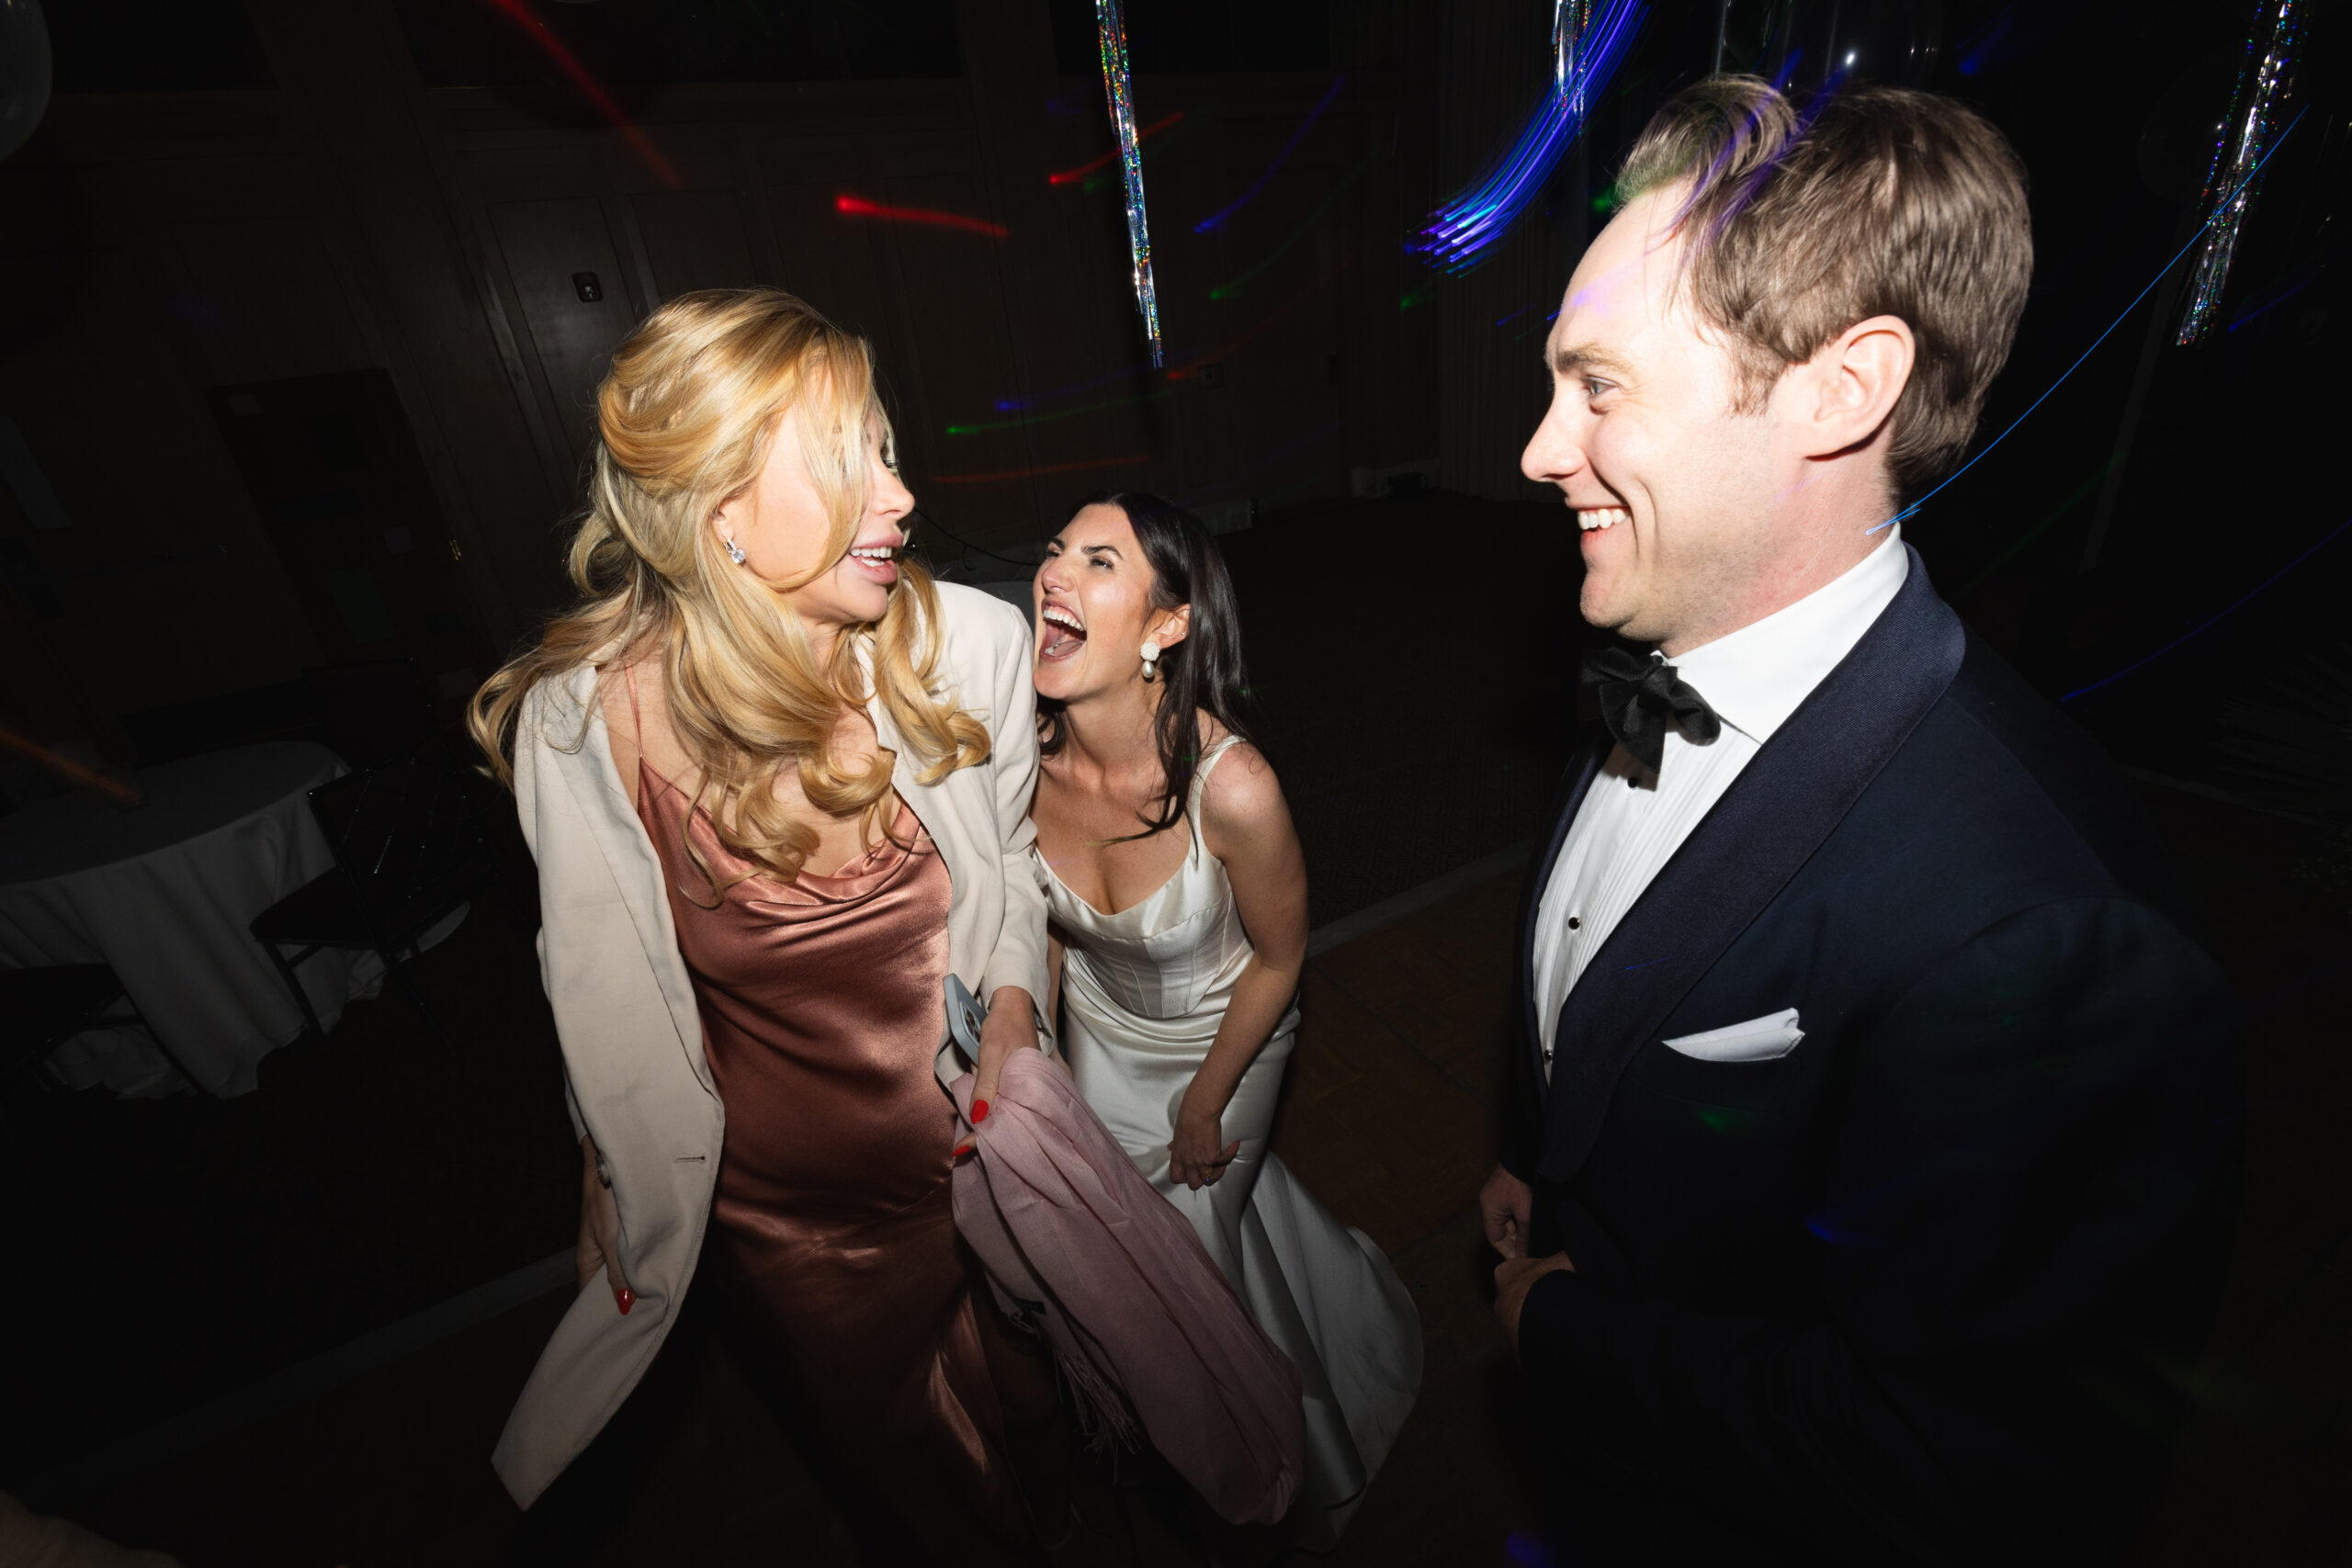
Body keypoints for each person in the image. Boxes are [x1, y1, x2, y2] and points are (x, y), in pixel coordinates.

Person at [1485, 78, 2240, 1562]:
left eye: (1601, 385)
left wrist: (1566, 1326)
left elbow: (1971, 1460)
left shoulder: (2048, 929)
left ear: (1843, 388)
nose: (1536, 449)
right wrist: (1555, 1149)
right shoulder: (1661, 639)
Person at [469, 288, 1054, 1561]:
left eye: (891, 453)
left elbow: (1009, 861)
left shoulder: (976, 649)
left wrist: (1016, 1006)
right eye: (853, 462)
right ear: (721, 509)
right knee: (920, 1484)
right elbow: (602, 988)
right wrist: (607, 1166)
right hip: (797, 1217)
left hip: (995, 1148)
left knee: (1053, 1409)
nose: (901, 496)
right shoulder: (586, 724)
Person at [1027, 492, 1422, 1548]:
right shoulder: (1017, 767)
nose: (1054, 573)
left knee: (1187, 1251)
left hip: (1229, 1033)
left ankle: (1276, 1468)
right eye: (1055, 552)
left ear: (1167, 625)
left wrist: (1206, 1100)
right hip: (1103, 1037)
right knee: (1108, 1264)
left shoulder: (1235, 789)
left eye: (1097, 561)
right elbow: (1056, 938)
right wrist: (1046, 1070)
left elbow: (1283, 957)